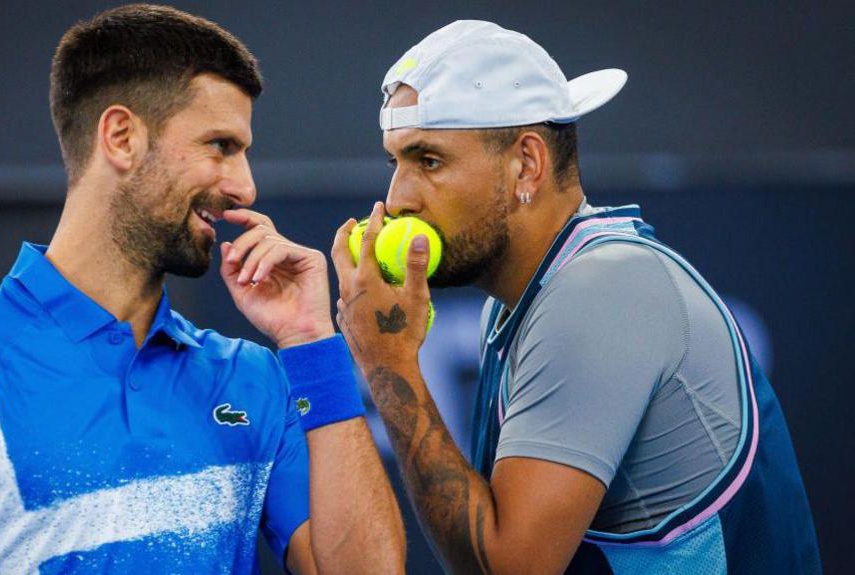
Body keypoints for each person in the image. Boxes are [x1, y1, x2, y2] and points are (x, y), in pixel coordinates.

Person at [0, 5, 404, 574]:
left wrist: (311, 340)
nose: (244, 186)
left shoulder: (255, 379)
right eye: (221, 146)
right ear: (122, 137)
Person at [332, 20, 820, 574]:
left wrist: (388, 363)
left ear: (527, 163)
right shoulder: (526, 297)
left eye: (429, 161)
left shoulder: (602, 290)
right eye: (394, 162)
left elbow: (509, 567)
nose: (397, 199)